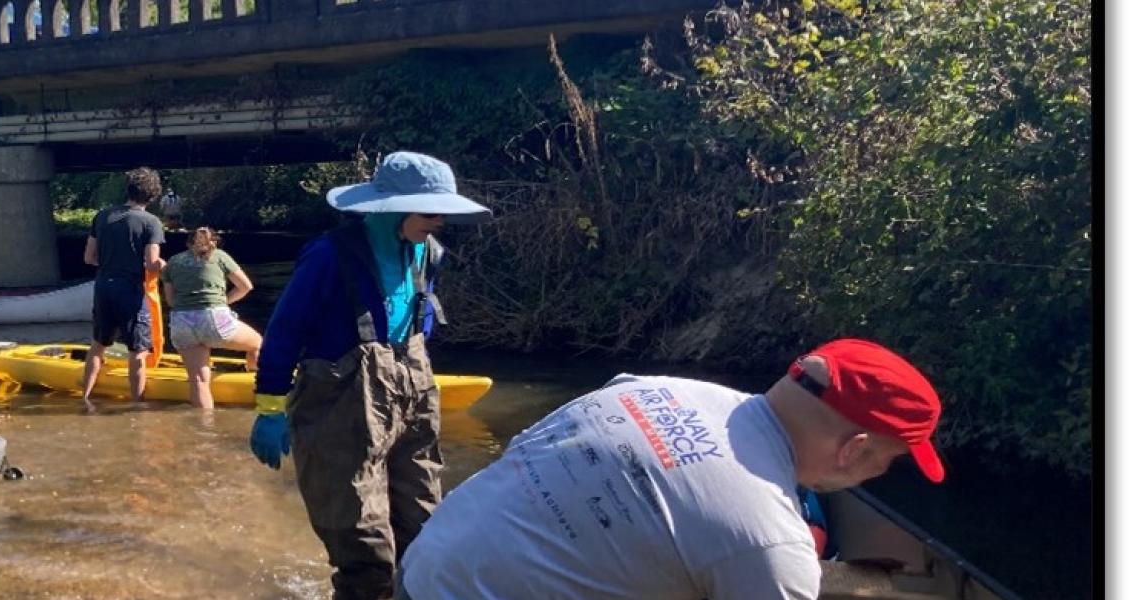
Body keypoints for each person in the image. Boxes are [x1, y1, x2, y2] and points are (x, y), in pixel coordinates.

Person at [397, 338, 945, 600]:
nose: (878, 477)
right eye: (889, 463)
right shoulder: (770, 543)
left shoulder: (649, 388)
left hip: (422, 570)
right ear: (855, 448)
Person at [248, 151, 492, 600]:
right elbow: (284, 332)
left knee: (426, 536)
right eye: (431, 211)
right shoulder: (327, 257)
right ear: (392, 208)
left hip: (411, 396)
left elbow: (419, 322)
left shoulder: (427, 252)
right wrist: (270, 407)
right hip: (340, 409)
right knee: (365, 552)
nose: (439, 222)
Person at [80, 167, 168, 411]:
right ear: (152, 196)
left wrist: (111, 262)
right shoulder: (151, 222)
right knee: (138, 350)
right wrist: (168, 268)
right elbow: (151, 263)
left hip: (103, 286)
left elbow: (89, 257)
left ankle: (85, 397)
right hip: (130, 289)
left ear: (128, 190)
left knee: (98, 344)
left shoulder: (102, 216)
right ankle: (137, 406)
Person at [160, 227, 263, 410]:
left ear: (187, 244)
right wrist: (225, 301)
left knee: (198, 379)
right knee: (258, 344)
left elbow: (170, 301)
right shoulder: (220, 256)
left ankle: (205, 425)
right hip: (214, 319)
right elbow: (245, 286)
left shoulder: (173, 262)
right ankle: (253, 390)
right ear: (214, 242)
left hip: (182, 322)